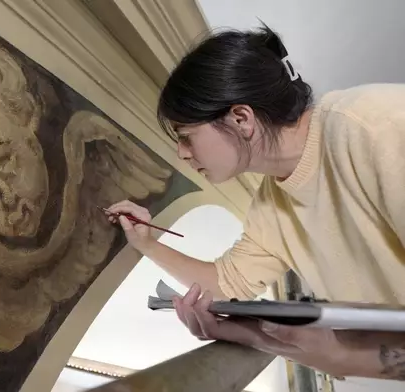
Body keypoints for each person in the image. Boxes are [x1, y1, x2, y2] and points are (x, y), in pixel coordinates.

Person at [106, 24, 405, 380]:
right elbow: (227, 283)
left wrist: (337, 356)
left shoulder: (378, 129)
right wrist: (146, 243)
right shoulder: (271, 204)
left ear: (241, 119)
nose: (181, 154)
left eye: (186, 137)